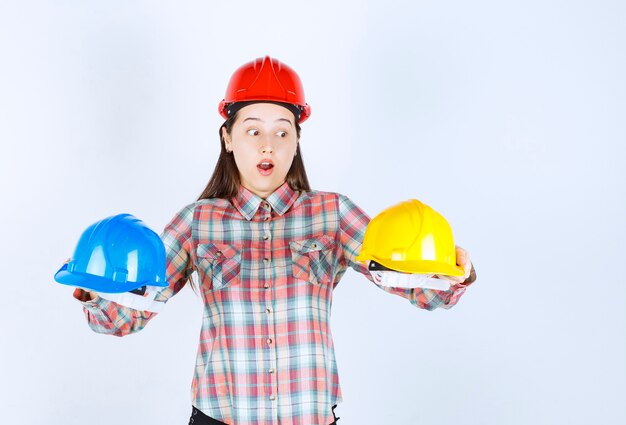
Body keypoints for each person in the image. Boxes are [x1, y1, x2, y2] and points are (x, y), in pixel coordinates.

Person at [73, 55, 476, 425]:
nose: (268, 145)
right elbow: (128, 316)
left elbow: (416, 287)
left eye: (282, 133)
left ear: (297, 140)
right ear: (228, 138)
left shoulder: (333, 214)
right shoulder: (197, 222)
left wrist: (453, 271)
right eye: (253, 131)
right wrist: (96, 289)